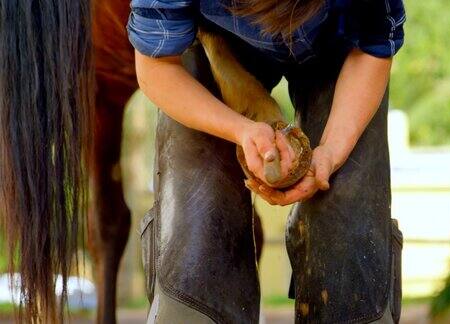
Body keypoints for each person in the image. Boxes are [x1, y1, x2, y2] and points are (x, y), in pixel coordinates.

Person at [127, 0, 406, 323]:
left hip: (340, 44)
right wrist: (239, 129)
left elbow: (373, 46)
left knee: (349, 230)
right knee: (199, 227)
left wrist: (330, 153)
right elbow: (157, 65)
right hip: (213, 38)